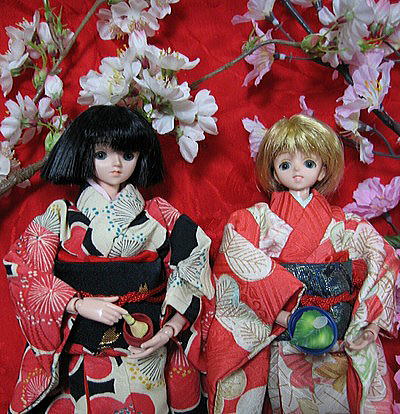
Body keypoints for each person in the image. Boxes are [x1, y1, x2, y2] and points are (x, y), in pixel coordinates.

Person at [4, 105, 213, 413]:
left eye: (127, 155)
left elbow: (194, 258)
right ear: (83, 154)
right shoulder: (60, 215)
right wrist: (76, 304)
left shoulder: (159, 214)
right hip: (78, 348)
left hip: (144, 346)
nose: (116, 165)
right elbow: (23, 268)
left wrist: (171, 328)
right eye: (102, 154)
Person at [205, 114, 399, 413]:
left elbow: (383, 262)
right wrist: (288, 318)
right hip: (285, 337)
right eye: (285, 164)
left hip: (337, 344)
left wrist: (370, 326)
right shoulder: (253, 221)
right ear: (273, 169)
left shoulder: (347, 225)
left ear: (323, 170)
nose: (297, 171)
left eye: (308, 163)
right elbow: (235, 271)